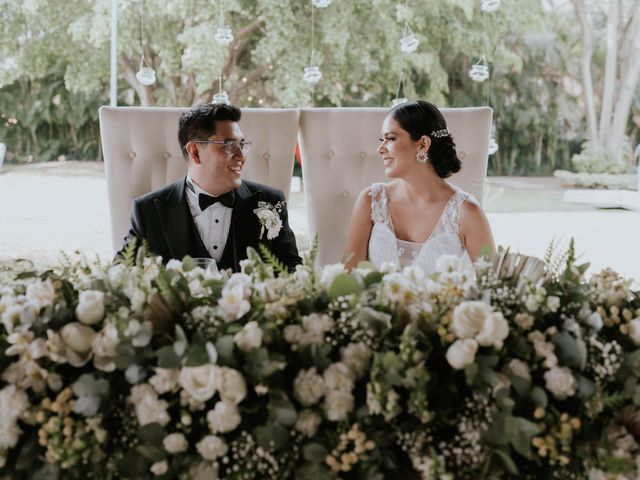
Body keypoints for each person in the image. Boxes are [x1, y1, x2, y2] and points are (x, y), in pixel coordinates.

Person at [120, 103, 301, 272]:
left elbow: (293, 272)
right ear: (195, 152)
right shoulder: (147, 211)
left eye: (242, 145)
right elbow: (121, 275)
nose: (241, 156)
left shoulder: (270, 203)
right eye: (229, 145)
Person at [342, 100, 495, 273]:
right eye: (381, 140)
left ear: (423, 144)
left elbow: (493, 287)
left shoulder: (467, 212)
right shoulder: (371, 201)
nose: (380, 149)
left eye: (390, 138)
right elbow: (348, 279)